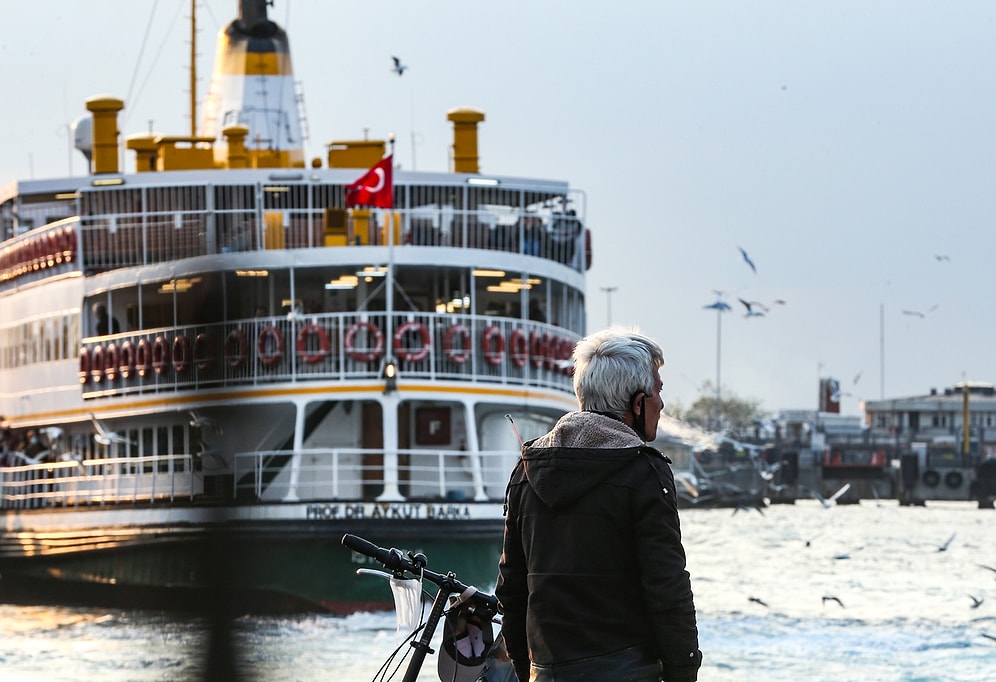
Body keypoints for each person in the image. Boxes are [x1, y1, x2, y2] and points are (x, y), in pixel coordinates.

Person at [496, 326, 702, 682]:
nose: (662, 404)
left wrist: (526, 670)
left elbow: (512, 591)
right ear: (637, 404)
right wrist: (683, 673)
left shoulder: (527, 470)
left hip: (546, 671)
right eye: (657, 392)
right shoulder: (644, 471)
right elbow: (667, 588)